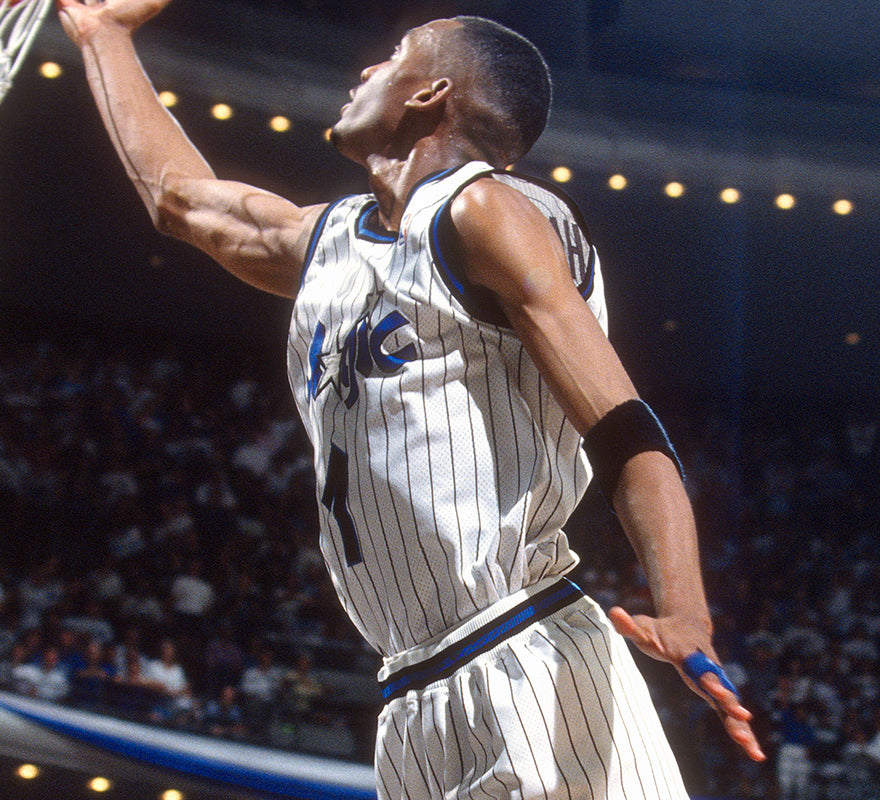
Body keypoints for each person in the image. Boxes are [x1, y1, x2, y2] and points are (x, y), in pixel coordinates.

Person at [56, 0, 763, 795]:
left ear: (431, 94)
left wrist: (685, 609)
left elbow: (625, 425)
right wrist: (104, 37)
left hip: (522, 649)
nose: (364, 71)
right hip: (410, 696)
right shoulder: (330, 240)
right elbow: (179, 200)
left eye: (392, 56)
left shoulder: (487, 209)